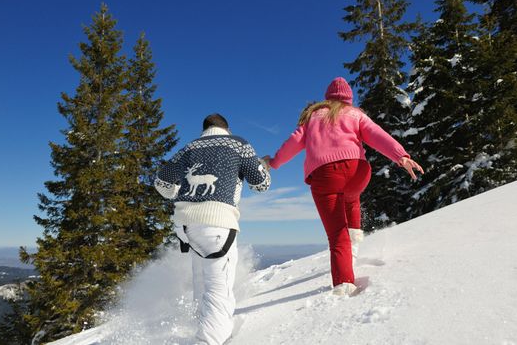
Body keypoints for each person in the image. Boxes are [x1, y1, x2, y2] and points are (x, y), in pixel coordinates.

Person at [264, 77, 423, 297]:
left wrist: (274, 162)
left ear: (327, 98)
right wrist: (401, 156)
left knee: (337, 233)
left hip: (325, 175)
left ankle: (344, 283)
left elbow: (292, 143)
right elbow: (377, 135)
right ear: (349, 99)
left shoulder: (312, 118)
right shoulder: (355, 115)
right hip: (358, 171)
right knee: (350, 196)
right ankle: (355, 233)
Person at [154, 114, 271, 345]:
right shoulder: (239, 144)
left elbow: (161, 182)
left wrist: (176, 193)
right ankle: (208, 340)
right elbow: (260, 185)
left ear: (204, 129)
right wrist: (264, 166)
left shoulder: (189, 148)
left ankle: (201, 327)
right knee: (218, 289)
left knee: (201, 282)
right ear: (226, 128)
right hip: (217, 224)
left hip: (185, 225)